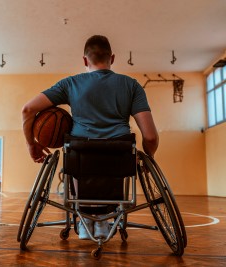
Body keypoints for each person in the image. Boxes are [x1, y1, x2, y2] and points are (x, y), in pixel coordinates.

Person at [21, 35, 159, 240]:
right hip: (119, 157)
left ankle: (85, 220)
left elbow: (27, 110)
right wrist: (150, 157)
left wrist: (32, 145)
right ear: (112, 58)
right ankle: (104, 221)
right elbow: (149, 136)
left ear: (85, 60)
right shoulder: (132, 86)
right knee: (117, 157)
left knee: (78, 157)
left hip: (80, 157)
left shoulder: (70, 83)